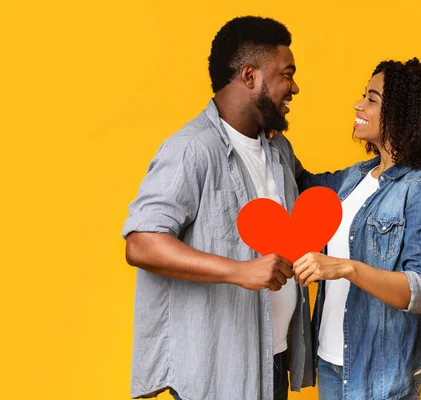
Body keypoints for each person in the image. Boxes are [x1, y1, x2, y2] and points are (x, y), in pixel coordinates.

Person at [122, 16, 313, 400]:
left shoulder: (276, 148)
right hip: (219, 374)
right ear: (249, 76)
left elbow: (314, 192)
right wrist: (241, 271)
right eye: (286, 75)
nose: (294, 87)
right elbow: (141, 243)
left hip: (271, 363)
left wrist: (383, 164)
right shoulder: (192, 149)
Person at [292, 58, 421, 400]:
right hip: (331, 365)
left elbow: (419, 291)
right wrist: (267, 126)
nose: (359, 105)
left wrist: (346, 268)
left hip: (381, 375)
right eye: (364, 96)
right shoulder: (354, 178)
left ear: (404, 113)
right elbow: (298, 184)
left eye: (372, 99)